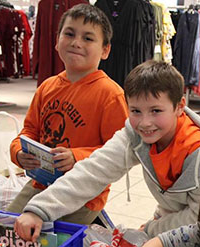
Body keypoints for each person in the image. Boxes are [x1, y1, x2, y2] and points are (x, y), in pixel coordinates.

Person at [14, 59, 200, 242]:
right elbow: (92, 172)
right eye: (135, 111)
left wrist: (151, 230)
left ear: (180, 107)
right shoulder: (135, 134)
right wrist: (40, 209)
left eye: (156, 111)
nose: (145, 122)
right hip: (171, 216)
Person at [7, 4, 128, 225]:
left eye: (88, 38)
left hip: (83, 193)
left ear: (105, 50)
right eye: (69, 34)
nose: (76, 43)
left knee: (53, 238)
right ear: (57, 40)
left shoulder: (110, 95)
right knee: (6, 229)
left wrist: (76, 156)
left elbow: (121, 154)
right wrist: (19, 153)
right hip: (40, 184)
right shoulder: (47, 87)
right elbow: (29, 132)